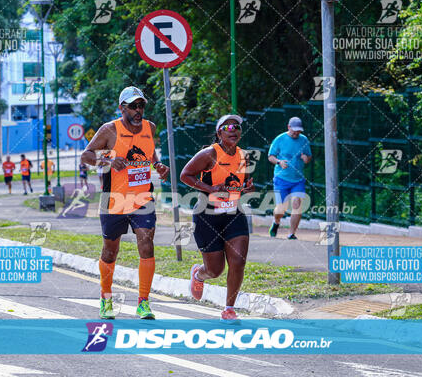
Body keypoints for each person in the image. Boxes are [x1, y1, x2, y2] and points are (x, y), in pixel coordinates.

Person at [81, 86, 169, 320]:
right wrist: (109, 159)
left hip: (142, 198)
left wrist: (158, 166)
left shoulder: (150, 127)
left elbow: (149, 155)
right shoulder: (109, 130)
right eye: (133, 106)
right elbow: (86, 155)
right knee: (110, 251)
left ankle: (143, 302)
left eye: (141, 105)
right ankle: (106, 298)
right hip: (114, 199)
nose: (138, 110)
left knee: (147, 243)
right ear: (122, 108)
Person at [180, 114, 254, 323]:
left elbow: (244, 182)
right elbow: (185, 175)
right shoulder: (209, 154)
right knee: (215, 270)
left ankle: (229, 309)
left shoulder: (244, 156)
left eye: (237, 127)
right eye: (229, 126)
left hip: (234, 213)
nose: (234, 130)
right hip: (207, 216)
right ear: (219, 132)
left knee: (238, 261)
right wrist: (210, 188)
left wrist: (248, 187)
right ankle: (198, 274)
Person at [267, 117, 312, 240]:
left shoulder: (304, 140)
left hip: (297, 179)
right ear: (289, 127)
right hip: (281, 178)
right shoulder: (280, 139)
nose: (296, 133)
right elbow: (270, 156)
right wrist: (279, 162)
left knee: (297, 205)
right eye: (294, 130)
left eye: (299, 131)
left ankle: (291, 233)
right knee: (281, 209)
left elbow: (309, 157)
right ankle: (276, 222)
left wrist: (306, 159)